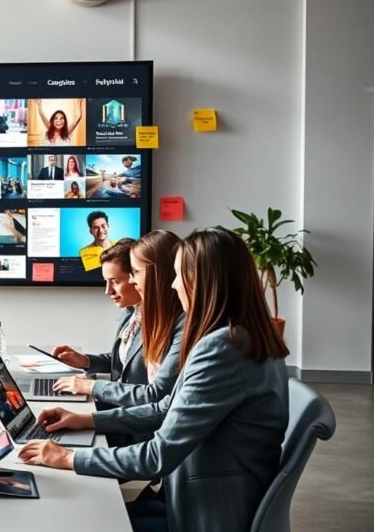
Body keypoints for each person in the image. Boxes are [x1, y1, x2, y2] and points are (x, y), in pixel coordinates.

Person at [19, 228, 290, 532]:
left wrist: (69, 457)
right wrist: (86, 421)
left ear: (199, 281)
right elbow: (164, 409)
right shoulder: (242, 336)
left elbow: (157, 455)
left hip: (205, 511)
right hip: (194, 493)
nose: (173, 286)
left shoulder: (223, 347)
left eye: (177, 276)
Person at [53, 231, 186, 416]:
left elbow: (157, 394)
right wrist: (85, 361)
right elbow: (124, 361)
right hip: (122, 414)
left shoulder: (179, 324)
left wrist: (91, 387)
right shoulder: (133, 312)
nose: (108, 291)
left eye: (115, 281)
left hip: (138, 422)